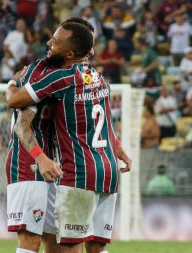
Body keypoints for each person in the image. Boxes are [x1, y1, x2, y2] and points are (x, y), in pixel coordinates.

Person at [7, 21, 131, 253]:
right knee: (88, 245)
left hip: (76, 171)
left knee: (65, 245)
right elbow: (100, 121)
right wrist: (117, 144)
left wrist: (11, 84)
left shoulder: (59, 78)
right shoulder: (99, 77)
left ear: (71, 52)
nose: (49, 43)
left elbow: (14, 102)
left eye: (55, 41)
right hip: (103, 169)